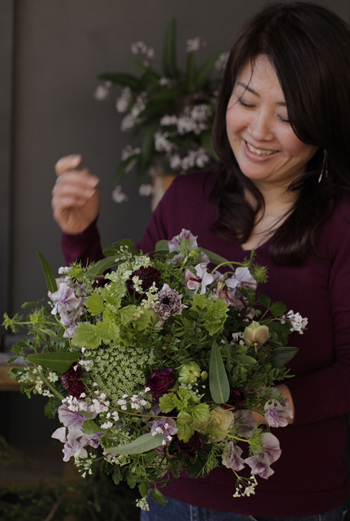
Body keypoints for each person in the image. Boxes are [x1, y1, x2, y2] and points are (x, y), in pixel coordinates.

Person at [51, 2, 350, 520]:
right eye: (246, 101)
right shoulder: (187, 199)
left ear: (325, 122)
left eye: (287, 115)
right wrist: (80, 237)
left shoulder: (342, 225)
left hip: (293, 506)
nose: (258, 130)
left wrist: (256, 407)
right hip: (172, 500)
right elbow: (120, 324)